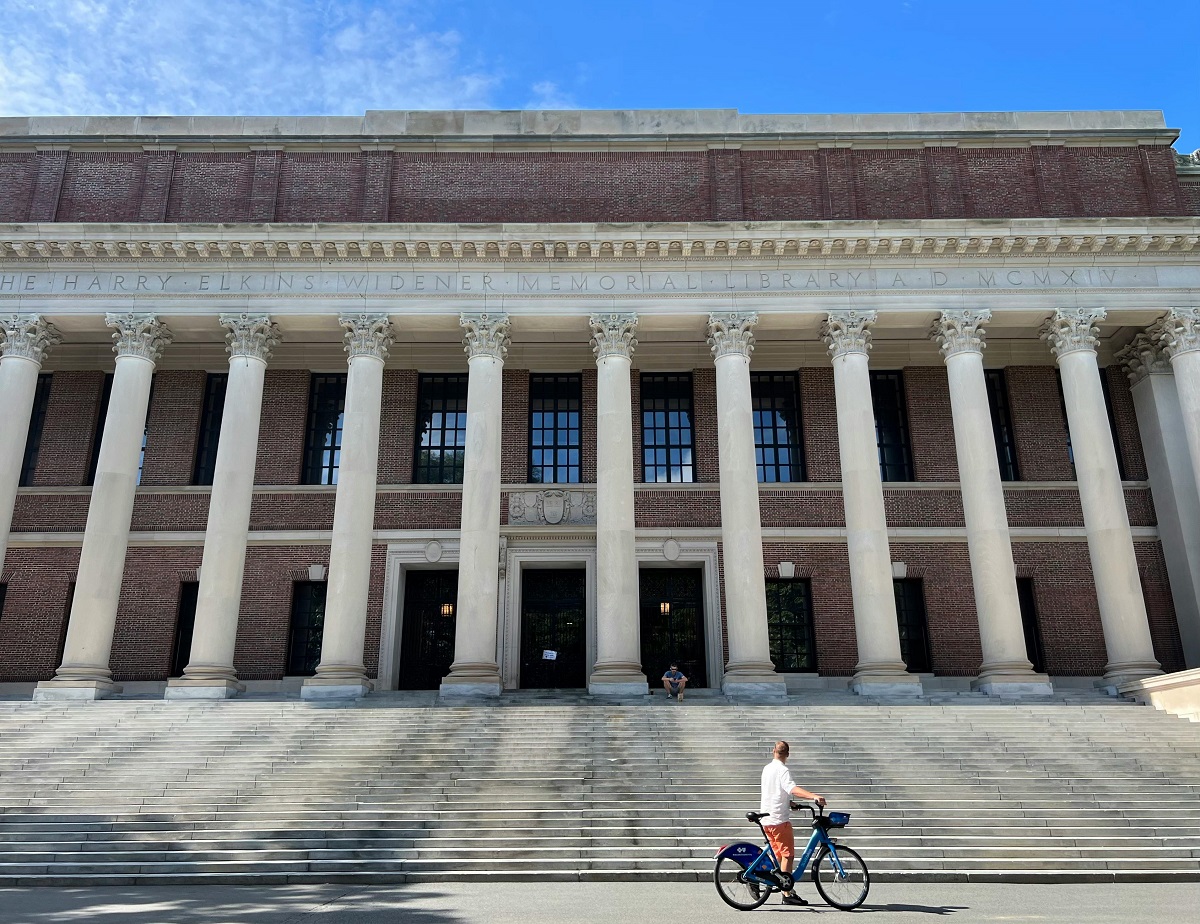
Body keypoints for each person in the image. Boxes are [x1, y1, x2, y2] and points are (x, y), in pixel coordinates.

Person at [760, 740, 825, 907]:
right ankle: (787, 894)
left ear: (773, 751)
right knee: (787, 856)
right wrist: (813, 796)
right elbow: (791, 788)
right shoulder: (783, 770)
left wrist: (789, 803)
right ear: (787, 754)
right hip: (779, 820)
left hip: (767, 820)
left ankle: (785, 889)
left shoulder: (767, 769)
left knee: (780, 857)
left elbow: (774, 791)